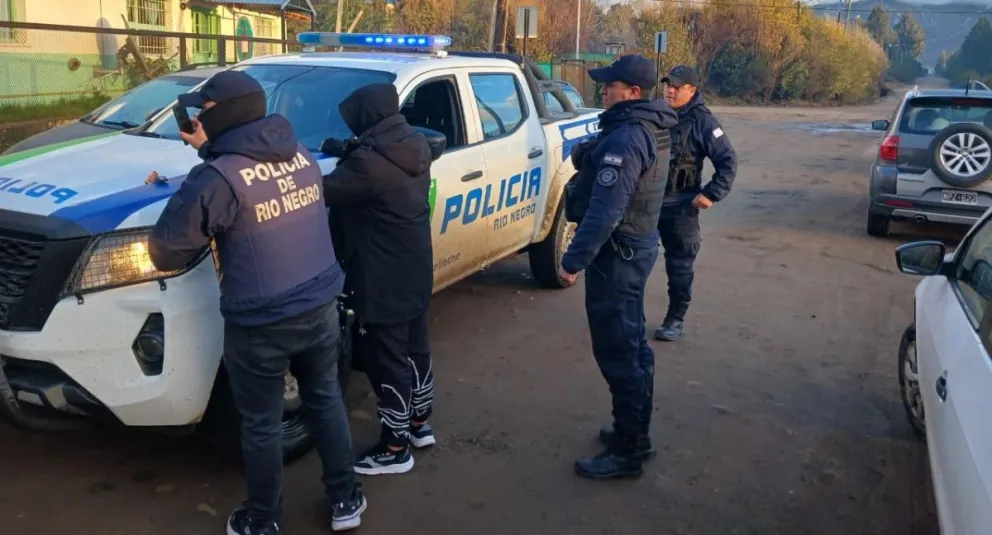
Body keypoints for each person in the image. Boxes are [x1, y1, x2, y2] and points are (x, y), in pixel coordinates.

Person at [146, 71, 366, 534]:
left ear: (222, 114)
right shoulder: (299, 153)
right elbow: (253, 179)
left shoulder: (216, 176)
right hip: (321, 303)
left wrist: (201, 163)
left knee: (262, 424)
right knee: (325, 398)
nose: (196, 119)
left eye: (202, 111)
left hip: (262, 321)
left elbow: (167, 249)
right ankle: (346, 499)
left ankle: (262, 520)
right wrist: (209, 152)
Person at [559, 55, 677, 479]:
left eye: (611, 86)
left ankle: (629, 450)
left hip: (618, 255)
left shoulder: (628, 138)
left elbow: (605, 213)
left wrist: (572, 261)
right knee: (632, 347)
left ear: (632, 92)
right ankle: (632, 433)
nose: (602, 90)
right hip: (634, 249)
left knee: (619, 350)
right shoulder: (649, 126)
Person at [322, 83, 436, 476]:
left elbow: (324, 191)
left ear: (366, 118)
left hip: (381, 275)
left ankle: (394, 447)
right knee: (415, 346)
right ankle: (420, 425)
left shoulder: (367, 165)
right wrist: (351, 149)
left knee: (386, 359)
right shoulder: (415, 144)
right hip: (415, 268)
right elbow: (377, 169)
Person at [654, 65, 738, 342]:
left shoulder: (704, 122)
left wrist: (711, 193)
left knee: (679, 266)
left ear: (691, 90)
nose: (670, 89)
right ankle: (626, 317)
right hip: (648, 202)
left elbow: (728, 161)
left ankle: (675, 319)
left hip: (680, 206)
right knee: (632, 262)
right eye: (667, 84)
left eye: (676, 86)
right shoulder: (656, 113)